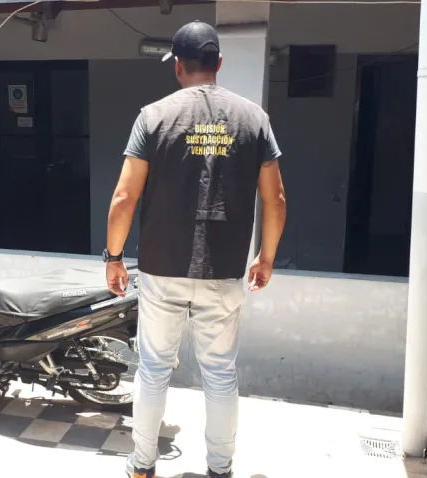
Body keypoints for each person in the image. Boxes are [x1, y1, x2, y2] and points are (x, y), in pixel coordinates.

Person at [104, 21, 287, 478]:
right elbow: (276, 199)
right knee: (220, 374)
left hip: (160, 269)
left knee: (153, 371)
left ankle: (142, 467)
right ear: (218, 63)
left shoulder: (152, 117)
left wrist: (113, 257)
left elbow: (124, 197)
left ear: (178, 67)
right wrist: (265, 258)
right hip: (224, 270)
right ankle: (219, 470)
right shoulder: (254, 119)